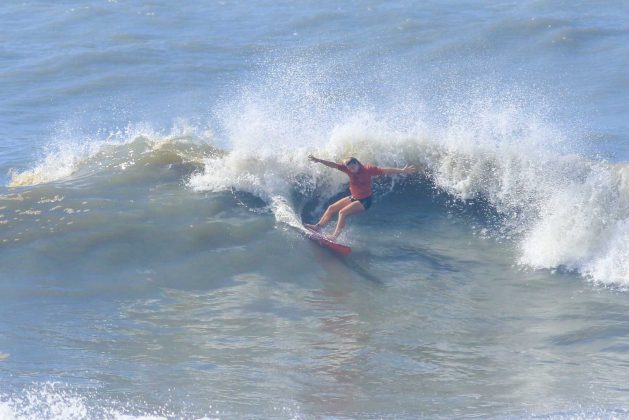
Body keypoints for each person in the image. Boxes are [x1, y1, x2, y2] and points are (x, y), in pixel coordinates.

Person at [305, 155, 416, 240]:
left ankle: (334, 236)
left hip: (365, 201)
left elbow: (385, 170)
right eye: (349, 168)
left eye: (353, 167)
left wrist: (402, 170)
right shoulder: (347, 169)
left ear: (358, 163)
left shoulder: (368, 169)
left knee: (342, 213)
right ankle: (318, 227)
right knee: (331, 208)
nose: (351, 169)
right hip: (353, 197)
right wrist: (319, 160)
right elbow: (333, 165)